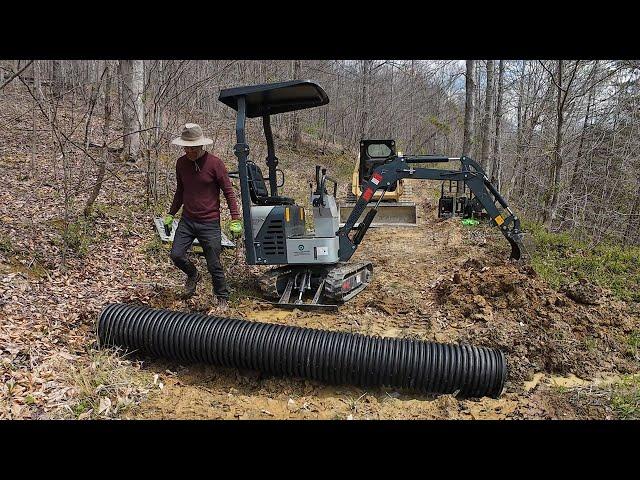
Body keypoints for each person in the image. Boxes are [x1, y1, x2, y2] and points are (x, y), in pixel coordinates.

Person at [164, 123, 244, 310]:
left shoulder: (215, 164)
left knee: (214, 263)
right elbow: (180, 191)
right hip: (188, 220)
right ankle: (193, 274)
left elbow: (229, 192)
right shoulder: (181, 163)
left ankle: (222, 297)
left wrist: (235, 219)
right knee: (176, 254)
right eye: (186, 147)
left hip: (209, 222)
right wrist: (170, 214)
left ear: (201, 146)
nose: (189, 151)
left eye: (193, 148)